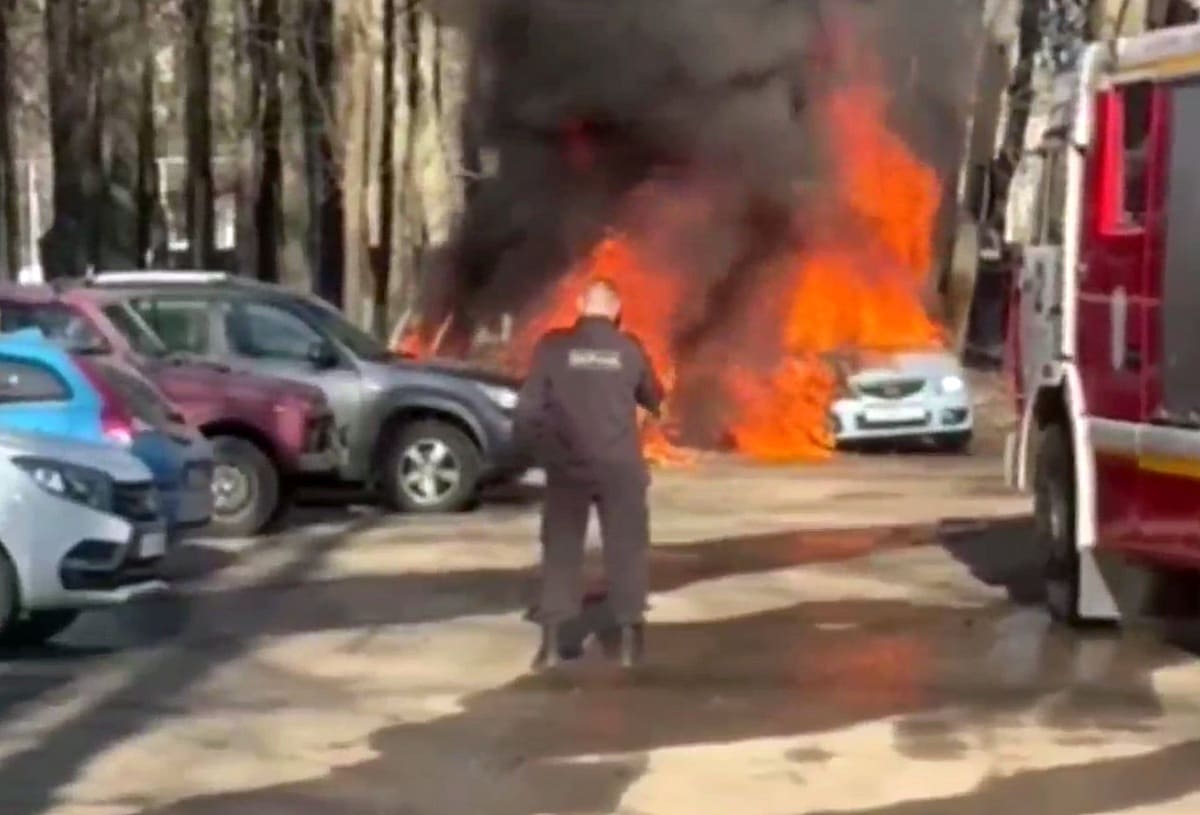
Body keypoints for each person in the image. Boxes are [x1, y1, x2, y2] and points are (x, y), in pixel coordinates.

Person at [515, 278, 664, 669]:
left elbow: (528, 410)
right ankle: (630, 644)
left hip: (568, 467)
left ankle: (550, 648)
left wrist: (545, 453)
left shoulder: (553, 347)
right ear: (616, 311)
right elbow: (653, 396)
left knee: (562, 553)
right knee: (626, 550)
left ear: (581, 305)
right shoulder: (629, 349)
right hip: (620, 468)